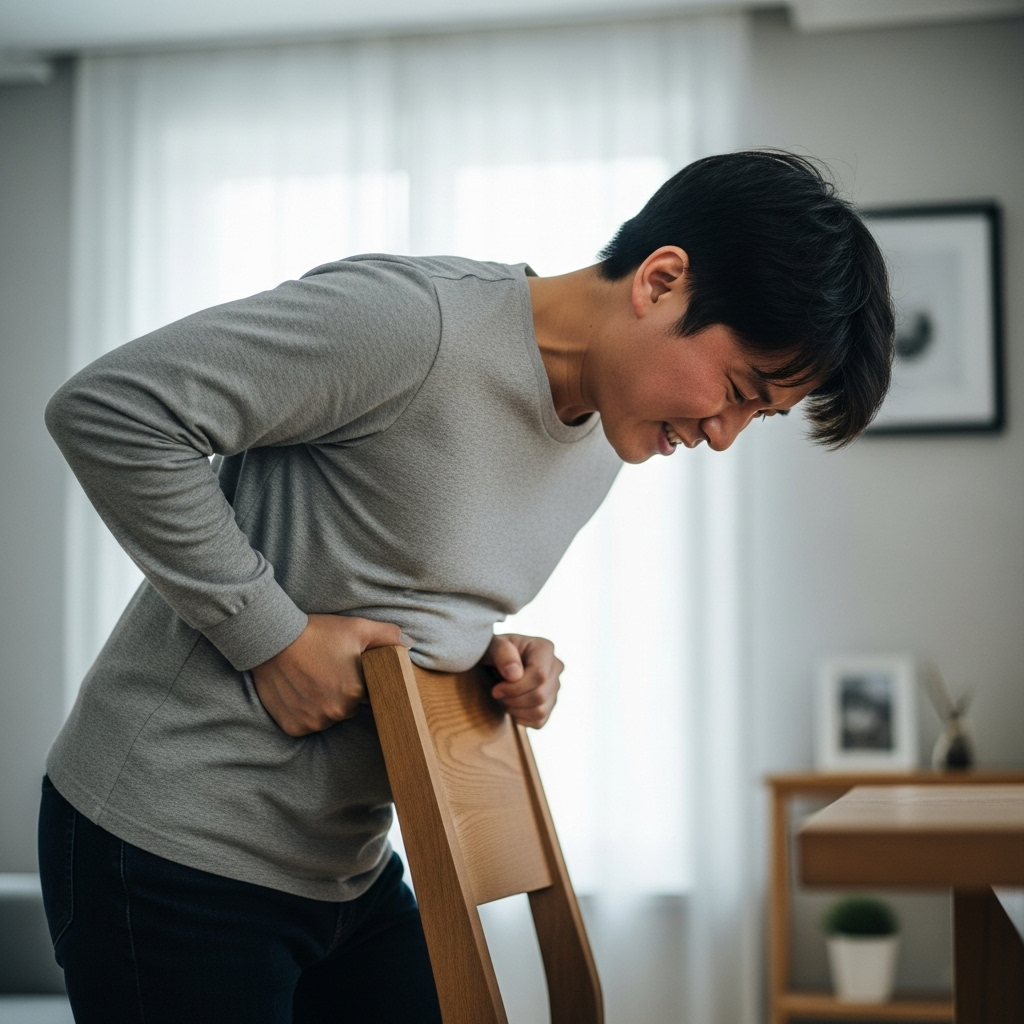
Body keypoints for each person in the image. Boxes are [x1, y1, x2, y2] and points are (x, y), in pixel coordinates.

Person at [38, 151, 893, 1023]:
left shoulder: (608, 435)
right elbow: (112, 409)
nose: (723, 436)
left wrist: (489, 651)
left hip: (347, 865)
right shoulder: (413, 324)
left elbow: (403, 567)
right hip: (172, 847)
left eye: (760, 416)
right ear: (662, 281)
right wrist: (271, 637)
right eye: (740, 391)